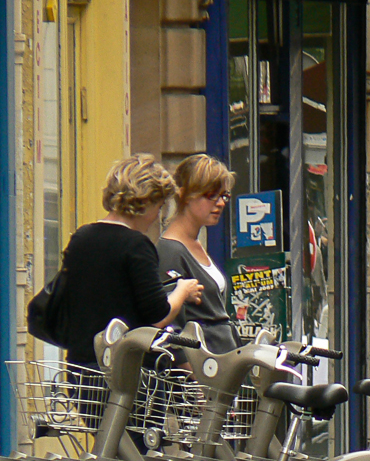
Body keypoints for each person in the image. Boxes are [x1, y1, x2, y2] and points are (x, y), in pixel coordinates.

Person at [60, 154, 204, 368]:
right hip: (126, 371)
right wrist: (182, 291)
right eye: (159, 205)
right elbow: (158, 316)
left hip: (83, 366)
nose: (157, 216)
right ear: (145, 200)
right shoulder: (137, 245)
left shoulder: (81, 238)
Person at [157, 154, 239, 354]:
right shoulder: (171, 251)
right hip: (202, 373)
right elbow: (169, 328)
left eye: (224, 196)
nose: (220, 203)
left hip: (222, 367)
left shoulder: (195, 244)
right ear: (185, 194)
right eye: (210, 194)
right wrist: (196, 375)